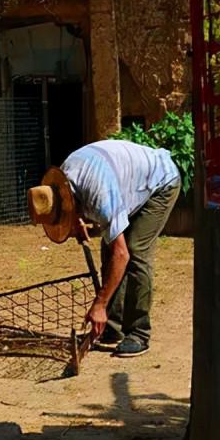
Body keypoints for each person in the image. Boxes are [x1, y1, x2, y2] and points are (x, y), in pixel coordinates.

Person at [27, 139, 181, 357]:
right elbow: (80, 202)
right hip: (128, 185)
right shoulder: (64, 181)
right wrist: (77, 221)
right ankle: (111, 326)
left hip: (160, 182)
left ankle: (139, 333)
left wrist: (99, 304)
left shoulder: (99, 195)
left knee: (134, 250)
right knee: (109, 249)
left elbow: (122, 254)